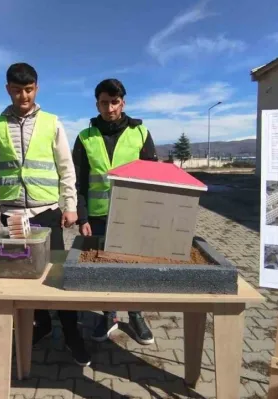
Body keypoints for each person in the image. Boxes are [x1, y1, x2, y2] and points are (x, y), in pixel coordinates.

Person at [0, 62, 90, 366]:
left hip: (46, 213)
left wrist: (69, 205)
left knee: (57, 276)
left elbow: (66, 168)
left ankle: (72, 335)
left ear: (37, 88)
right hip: (13, 216)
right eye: (17, 90)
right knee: (22, 276)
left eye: (28, 89)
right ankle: (41, 324)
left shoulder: (52, 122)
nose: (23, 96)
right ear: (8, 90)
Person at [72, 78, 158, 345]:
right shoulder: (85, 137)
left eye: (114, 102)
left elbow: (153, 178)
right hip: (97, 217)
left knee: (133, 267)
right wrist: (83, 217)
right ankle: (109, 314)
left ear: (123, 102)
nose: (109, 108)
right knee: (105, 267)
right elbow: (79, 181)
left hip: (133, 215)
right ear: (96, 103)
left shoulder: (141, 133)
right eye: (103, 102)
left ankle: (135, 314)